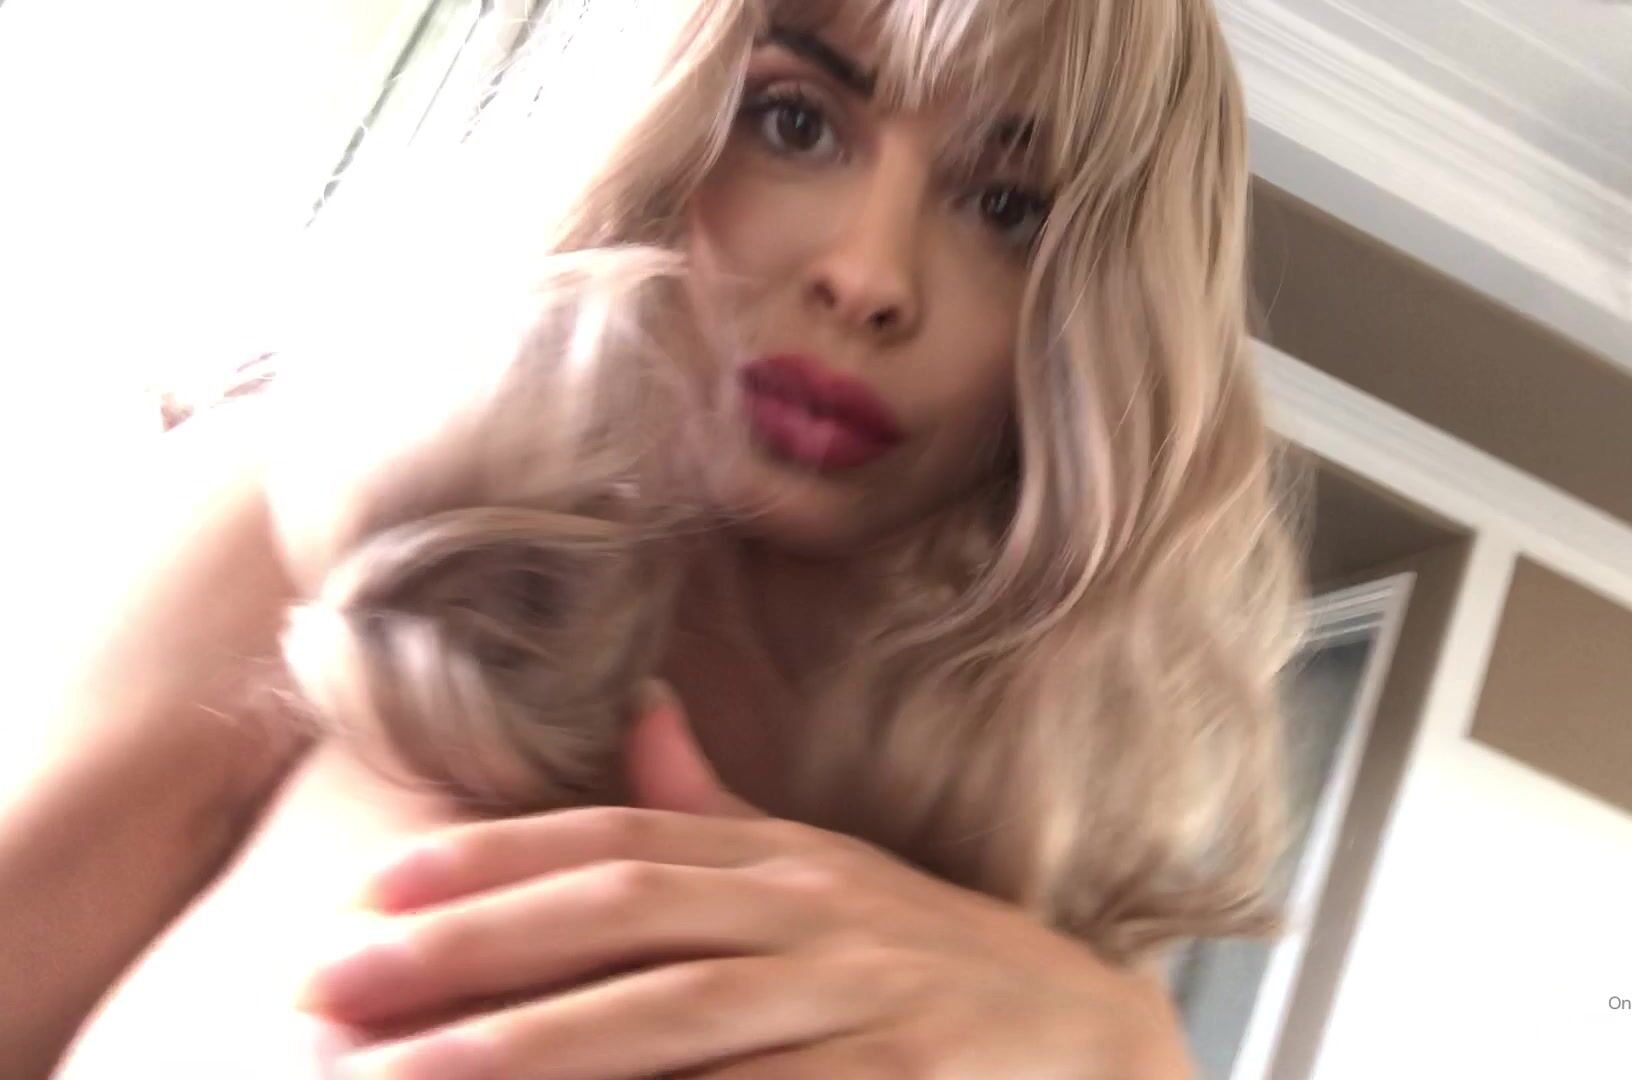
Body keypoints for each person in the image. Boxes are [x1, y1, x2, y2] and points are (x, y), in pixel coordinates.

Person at [6, 0, 1307, 1075]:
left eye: (1009, 207)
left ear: (1092, 321)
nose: (868, 276)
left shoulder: (1048, 914)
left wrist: (1136, 1057)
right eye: (795, 121)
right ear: (667, 117)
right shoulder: (322, 502)